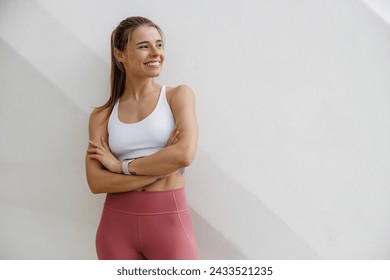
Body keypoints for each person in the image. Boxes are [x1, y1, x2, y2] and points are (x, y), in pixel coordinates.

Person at [85, 16, 199, 260]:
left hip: (169, 225)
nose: (155, 53)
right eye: (144, 46)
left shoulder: (178, 96)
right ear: (120, 55)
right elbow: (96, 182)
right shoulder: (102, 116)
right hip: (116, 228)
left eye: (159, 45)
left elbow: (184, 154)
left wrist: (119, 167)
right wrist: (160, 171)